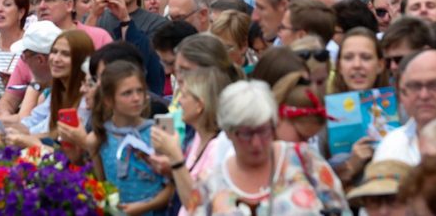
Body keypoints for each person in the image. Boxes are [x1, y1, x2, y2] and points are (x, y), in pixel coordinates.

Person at [187, 79, 349, 215]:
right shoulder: (209, 185)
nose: (256, 142)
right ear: (228, 132)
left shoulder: (304, 160)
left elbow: (341, 210)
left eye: (263, 130)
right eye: (246, 134)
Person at [90, 60, 174, 215]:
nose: (136, 98)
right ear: (109, 100)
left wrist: (145, 206)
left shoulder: (160, 130)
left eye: (140, 91)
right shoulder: (101, 135)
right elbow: (102, 184)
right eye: (127, 93)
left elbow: (172, 186)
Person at [149, 67, 227, 216]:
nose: (179, 102)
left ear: (199, 105)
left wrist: (175, 157)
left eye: (184, 96)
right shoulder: (198, 137)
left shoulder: (217, 148)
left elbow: (196, 205)